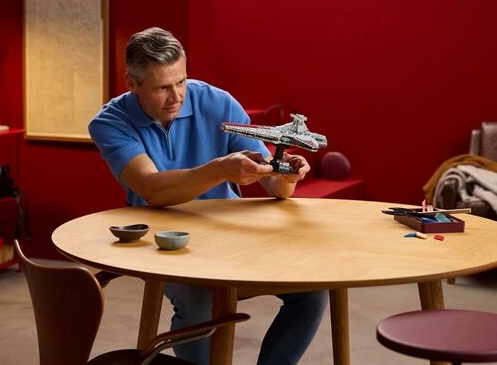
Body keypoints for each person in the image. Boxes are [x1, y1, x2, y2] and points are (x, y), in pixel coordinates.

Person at [89, 27, 328, 365]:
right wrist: (219, 170)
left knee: (313, 291)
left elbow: (276, 188)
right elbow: (152, 188)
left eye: (181, 81)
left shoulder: (218, 103)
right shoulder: (110, 122)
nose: (176, 96)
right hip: (163, 245)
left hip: (229, 236)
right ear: (132, 83)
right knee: (200, 302)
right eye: (162, 87)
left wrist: (288, 173)